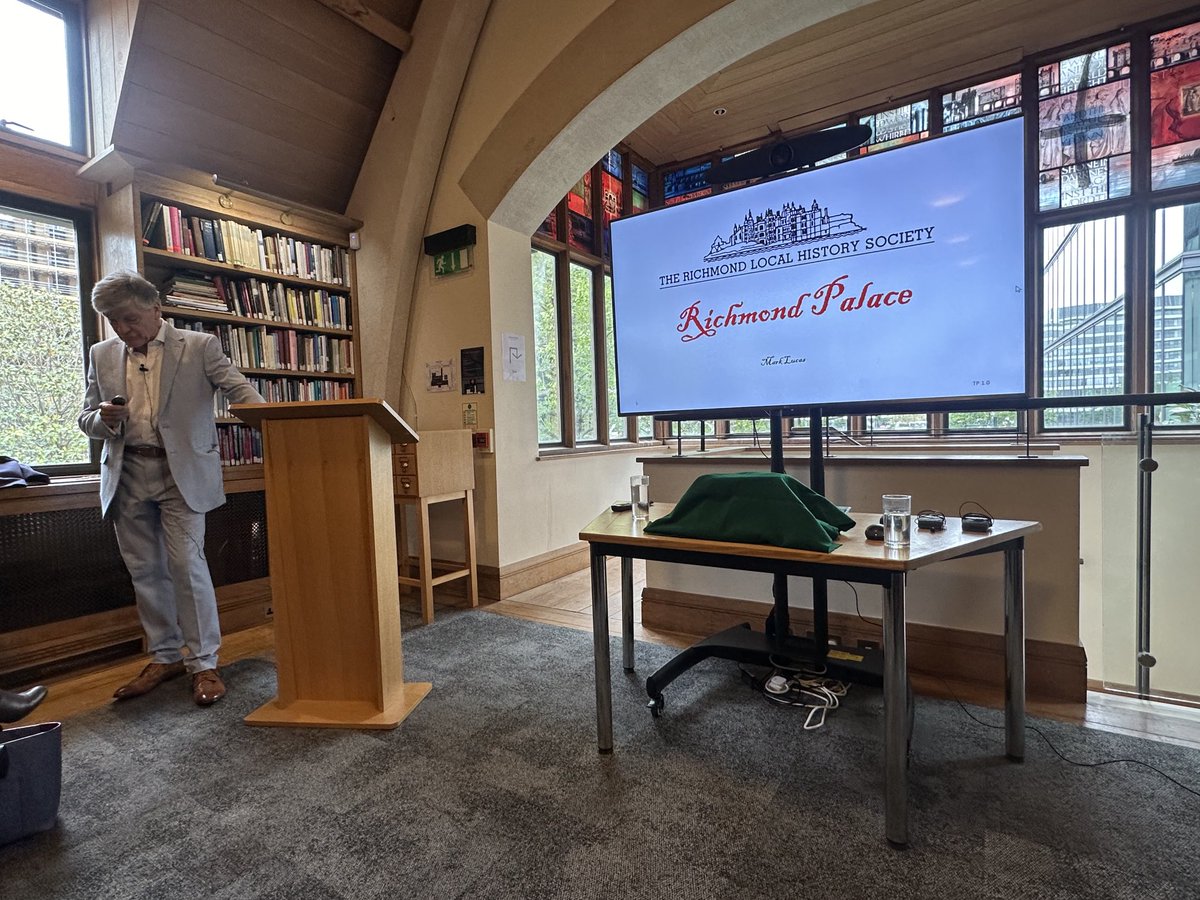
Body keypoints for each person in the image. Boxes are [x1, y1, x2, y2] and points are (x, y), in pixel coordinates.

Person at [78, 271, 265, 707]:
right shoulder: (102, 353)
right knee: (144, 571)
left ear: (155, 307)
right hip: (126, 474)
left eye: (129, 318)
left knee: (187, 566)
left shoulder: (198, 346)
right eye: (113, 321)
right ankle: (164, 657)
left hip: (182, 476)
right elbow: (86, 417)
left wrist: (284, 428)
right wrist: (102, 418)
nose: (123, 330)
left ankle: (204, 663)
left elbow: (241, 392)